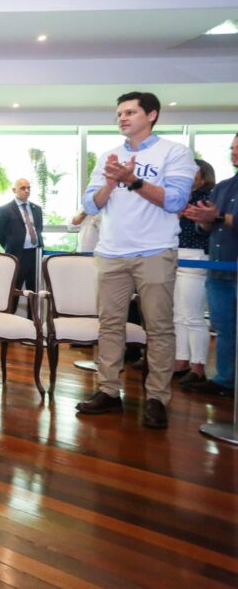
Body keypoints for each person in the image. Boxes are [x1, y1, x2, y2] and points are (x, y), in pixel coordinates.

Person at [75, 92, 197, 429]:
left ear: (152, 115)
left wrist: (133, 180)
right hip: (111, 252)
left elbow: (174, 201)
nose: (123, 118)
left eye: (130, 112)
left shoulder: (175, 153)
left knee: (158, 327)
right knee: (109, 324)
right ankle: (108, 391)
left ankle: (157, 397)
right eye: (119, 113)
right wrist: (113, 181)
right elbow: (91, 204)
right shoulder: (107, 157)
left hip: (155, 250)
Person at [181, 134, 238, 399]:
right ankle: (225, 380)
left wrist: (216, 216)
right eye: (232, 148)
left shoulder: (211, 188)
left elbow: (219, 218)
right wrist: (203, 219)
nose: (233, 153)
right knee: (223, 327)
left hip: (228, 264)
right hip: (218, 268)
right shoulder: (224, 187)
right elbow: (205, 227)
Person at [171, 159, 215, 383]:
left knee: (193, 315)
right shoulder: (180, 195)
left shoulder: (208, 196)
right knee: (178, 314)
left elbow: (207, 228)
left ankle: (198, 366)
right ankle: (181, 360)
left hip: (197, 256)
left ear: (203, 174)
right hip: (176, 255)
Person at [0, 178, 44, 306]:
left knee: (34, 291)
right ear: (14, 190)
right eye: (23, 188)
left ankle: (34, 321)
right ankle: (9, 319)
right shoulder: (4, 210)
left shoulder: (36, 209)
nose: (26, 191)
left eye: (28, 188)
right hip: (17, 255)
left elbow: (38, 229)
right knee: (14, 289)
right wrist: (10, 245)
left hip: (35, 255)